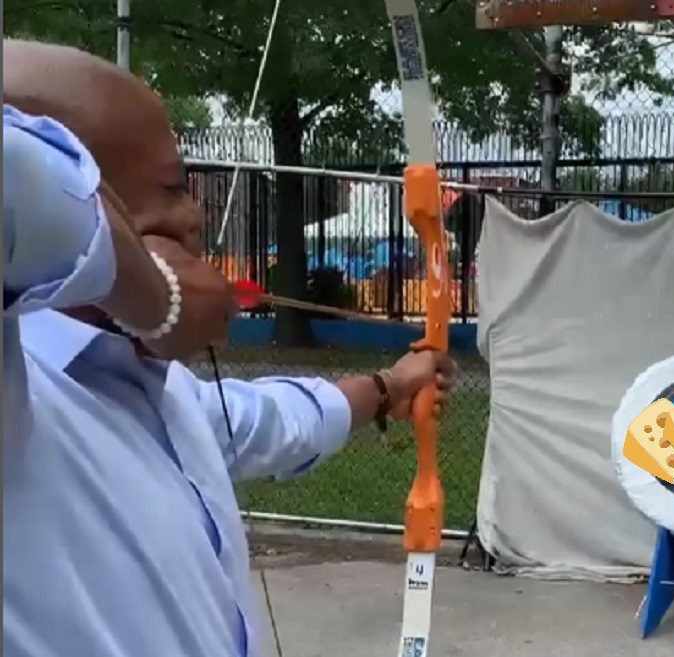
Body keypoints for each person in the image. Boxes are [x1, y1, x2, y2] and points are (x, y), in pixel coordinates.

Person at [3, 39, 458, 657]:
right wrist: (150, 295)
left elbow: (274, 419)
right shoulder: (20, 395)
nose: (194, 215)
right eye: (171, 188)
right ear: (91, 191)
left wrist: (389, 387)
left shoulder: (160, 392)